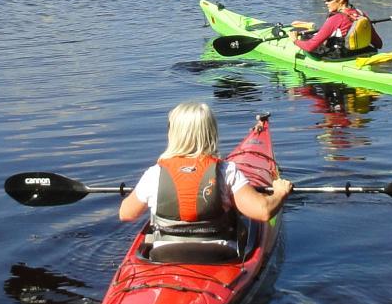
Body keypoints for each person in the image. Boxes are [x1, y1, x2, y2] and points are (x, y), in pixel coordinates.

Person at [119, 100, 291, 236]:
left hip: (163, 255)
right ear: (211, 132)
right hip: (219, 257)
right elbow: (263, 212)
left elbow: (126, 214)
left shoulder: (154, 174)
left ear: (173, 134)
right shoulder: (226, 171)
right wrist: (279, 192)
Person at [288, 0, 385, 59]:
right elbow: (378, 44)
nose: (326, 2)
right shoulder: (361, 14)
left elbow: (310, 47)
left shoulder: (336, 18)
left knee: (305, 38)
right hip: (362, 52)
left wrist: (295, 40)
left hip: (342, 56)